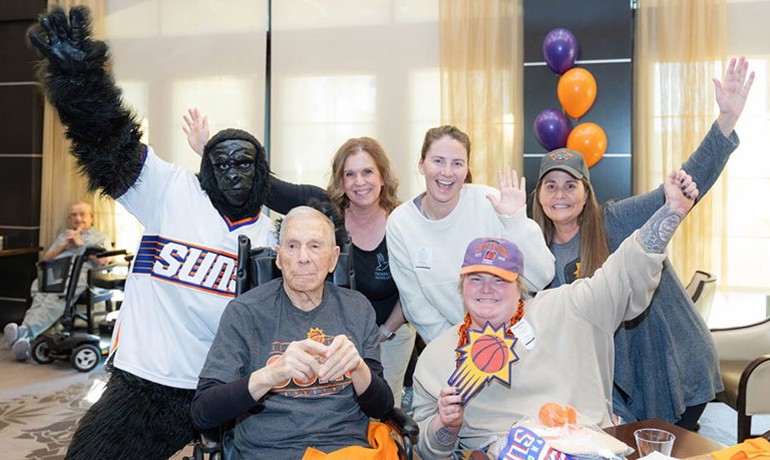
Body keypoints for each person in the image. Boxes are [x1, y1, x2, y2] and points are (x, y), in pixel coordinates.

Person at [28, 7, 277, 458]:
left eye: (244, 163)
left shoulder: (275, 236)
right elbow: (109, 141)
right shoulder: (171, 189)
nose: (232, 174)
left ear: (261, 171)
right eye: (220, 163)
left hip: (228, 386)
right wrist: (80, 78)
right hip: (147, 381)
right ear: (205, 167)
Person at [531, 57, 755, 429]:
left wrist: (726, 120)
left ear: (586, 193)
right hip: (619, 383)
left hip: (674, 368)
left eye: (571, 185)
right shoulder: (539, 256)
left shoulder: (616, 220)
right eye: (550, 186)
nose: (560, 194)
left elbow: (685, 188)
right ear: (538, 196)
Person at [413, 170, 699, 458]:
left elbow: (624, 272)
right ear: (462, 286)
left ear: (519, 286)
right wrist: (445, 425)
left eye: (499, 279)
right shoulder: (437, 358)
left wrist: (672, 211)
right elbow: (426, 449)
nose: (486, 289)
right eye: (476, 279)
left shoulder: (568, 309)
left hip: (584, 447)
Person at [185, 111, 417, 407]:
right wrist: (208, 152)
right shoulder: (324, 208)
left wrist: (384, 332)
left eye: (368, 172)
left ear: (382, 176)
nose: (359, 182)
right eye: (350, 174)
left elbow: (412, 290)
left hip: (389, 333)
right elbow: (262, 184)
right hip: (333, 332)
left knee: (381, 412)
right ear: (341, 179)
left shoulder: (402, 223)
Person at [191, 205, 394, 459]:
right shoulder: (245, 312)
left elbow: (382, 407)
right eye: (292, 246)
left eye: (315, 246)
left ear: (334, 258)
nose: (303, 257)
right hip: (271, 451)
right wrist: (271, 374)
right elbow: (203, 412)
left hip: (346, 450)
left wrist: (358, 368)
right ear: (278, 257)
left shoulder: (357, 309)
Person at [386, 125, 554, 343]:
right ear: (421, 164)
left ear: (466, 169)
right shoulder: (401, 223)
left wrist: (516, 222)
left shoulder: (491, 203)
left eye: (457, 163)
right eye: (438, 161)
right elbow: (416, 304)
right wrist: (456, 348)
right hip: (452, 345)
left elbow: (540, 279)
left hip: (516, 340)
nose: (447, 172)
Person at [2, 201, 111, 361]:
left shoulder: (100, 237)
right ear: (69, 218)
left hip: (79, 275)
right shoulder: (64, 234)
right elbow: (46, 258)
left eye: (82, 214)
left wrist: (81, 244)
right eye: (73, 215)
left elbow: (104, 261)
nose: (78, 218)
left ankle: (25, 333)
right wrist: (64, 245)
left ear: (91, 217)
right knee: (40, 296)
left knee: (56, 297)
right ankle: (23, 338)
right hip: (56, 272)